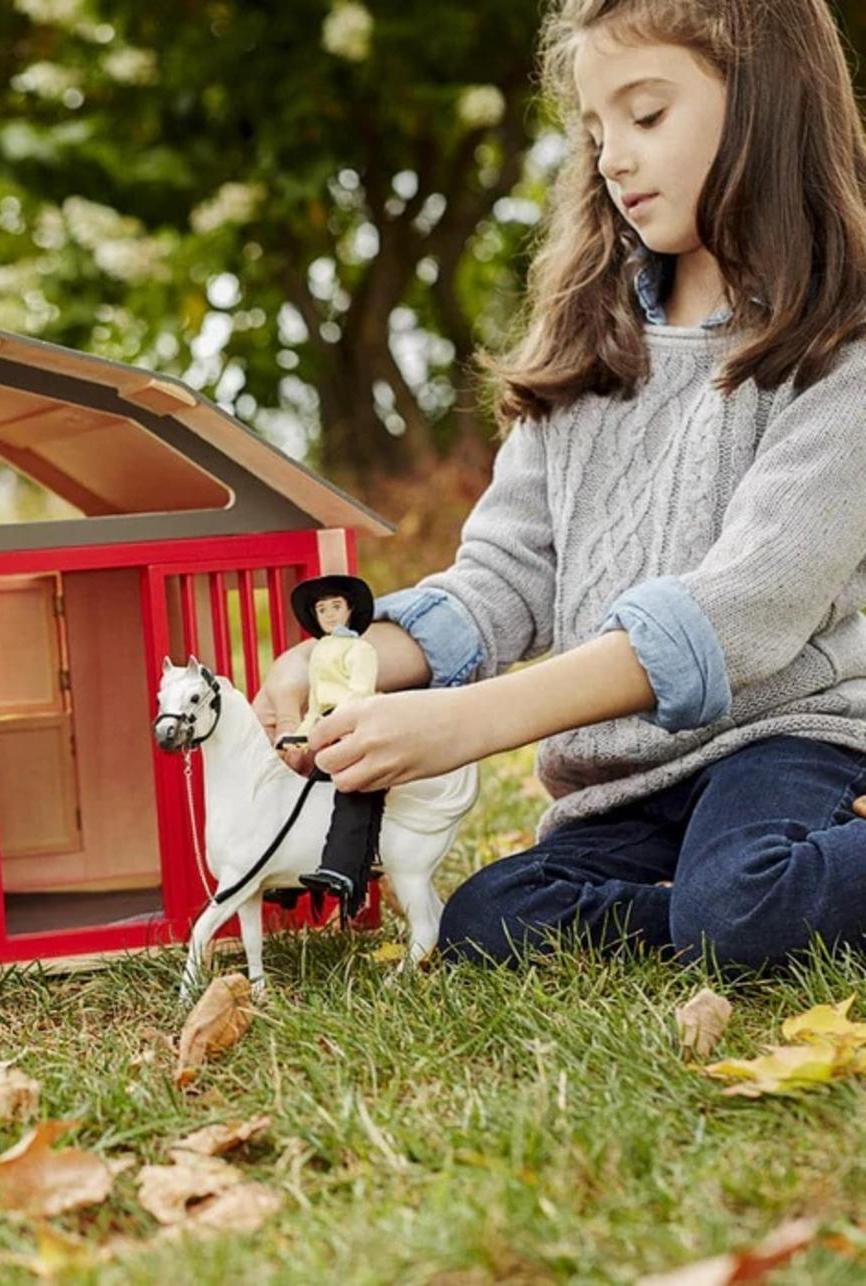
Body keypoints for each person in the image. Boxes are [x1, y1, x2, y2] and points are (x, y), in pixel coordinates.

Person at [254, 0, 866, 969]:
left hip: (786, 740)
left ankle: (724, 910)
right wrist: (351, 660)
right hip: (620, 780)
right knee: (487, 921)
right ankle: (700, 913)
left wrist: (463, 723)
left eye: (647, 115)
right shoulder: (591, 344)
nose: (615, 157)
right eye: (595, 130)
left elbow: (740, 611)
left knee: (742, 901)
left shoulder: (843, 352)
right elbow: (504, 573)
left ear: (766, 102)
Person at [277, 576, 387, 908]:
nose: (328, 615)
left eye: (335, 606)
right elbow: (315, 705)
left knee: (350, 794)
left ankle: (341, 870)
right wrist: (299, 735)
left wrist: (329, 726)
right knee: (306, 796)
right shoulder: (321, 651)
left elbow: (359, 694)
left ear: (350, 610)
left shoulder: (360, 649)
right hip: (325, 726)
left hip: (352, 726)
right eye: (321, 609)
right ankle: (290, 876)